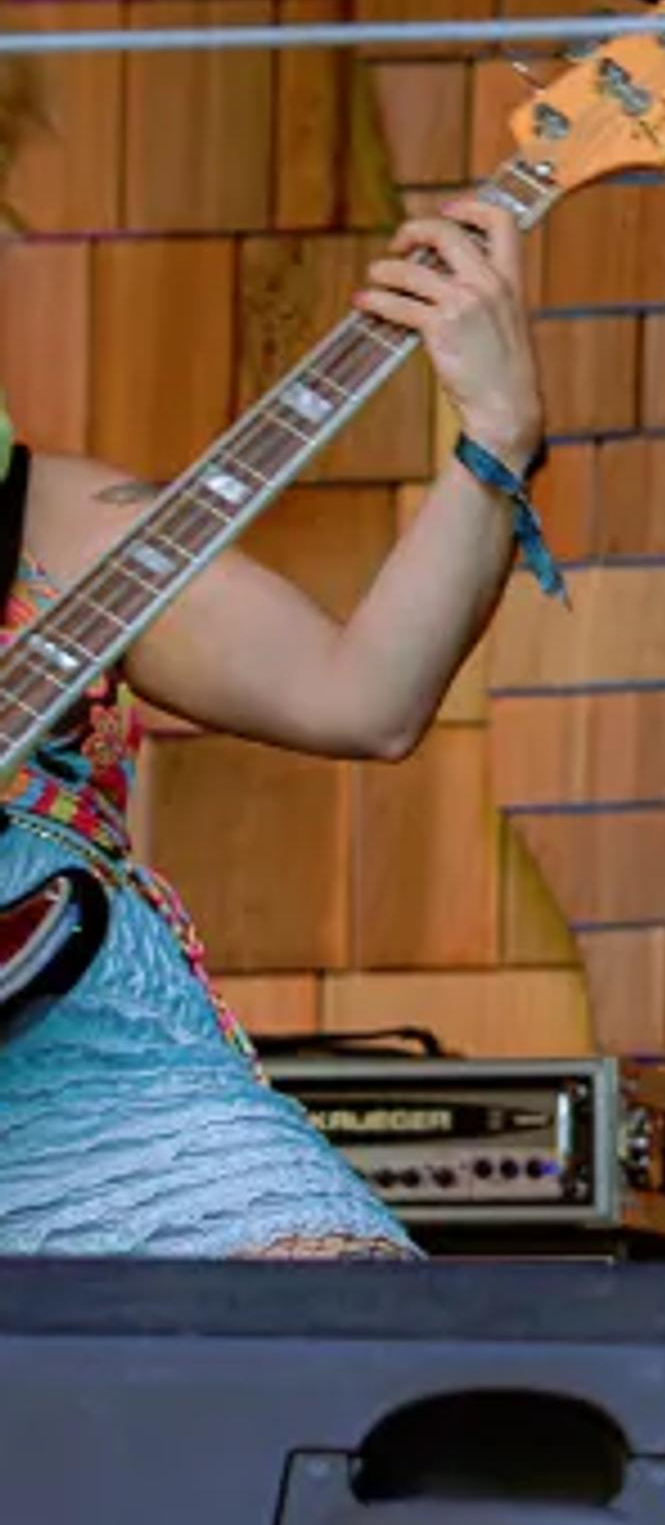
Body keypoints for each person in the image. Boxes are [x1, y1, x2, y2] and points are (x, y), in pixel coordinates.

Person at [0, 191, 556, 1258]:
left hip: (105, 1104)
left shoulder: (51, 520)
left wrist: (498, 430)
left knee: (343, 1346)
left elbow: (366, 697)